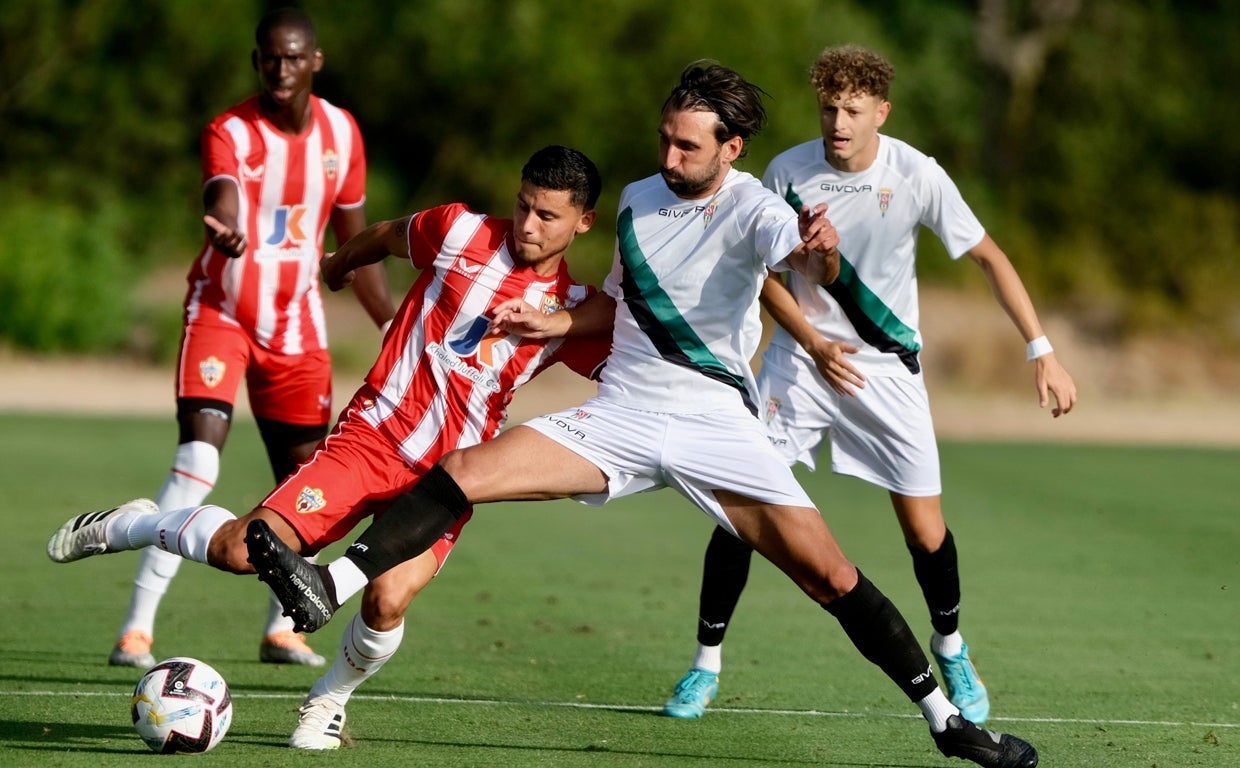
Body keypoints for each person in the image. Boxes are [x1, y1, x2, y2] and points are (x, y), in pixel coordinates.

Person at [241, 62, 1039, 768]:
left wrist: (821, 248)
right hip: (624, 410)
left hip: (718, 426)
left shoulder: (759, 209)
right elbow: (621, 308)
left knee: (831, 576)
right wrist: (557, 323)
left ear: (731, 150)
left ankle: (946, 723)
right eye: (666, 139)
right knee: (463, 472)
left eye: (688, 147)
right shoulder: (632, 201)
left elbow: (803, 255)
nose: (668, 157)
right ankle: (330, 581)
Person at [49, 145, 609, 749]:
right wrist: (340, 263)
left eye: (547, 216)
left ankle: (327, 702)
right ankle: (134, 525)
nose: (527, 224)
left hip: (448, 479)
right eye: (523, 205)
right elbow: (388, 235)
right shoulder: (461, 229)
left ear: (583, 222)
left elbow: (629, 366)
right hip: (368, 440)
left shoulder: (573, 313)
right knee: (243, 551)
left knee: (388, 599)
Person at [660, 45, 1078, 724]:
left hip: (887, 374)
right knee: (740, 510)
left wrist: (1043, 350)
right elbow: (763, 270)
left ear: (881, 111)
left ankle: (950, 645)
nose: (838, 121)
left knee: (924, 531)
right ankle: (704, 666)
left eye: (853, 109)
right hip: (800, 366)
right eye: (829, 107)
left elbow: (989, 257)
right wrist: (815, 343)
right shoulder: (786, 171)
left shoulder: (917, 175)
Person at [103, 7, 395, 671]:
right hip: (222, 314)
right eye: (270, 58)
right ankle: (136, 630)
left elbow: (357, 243)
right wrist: (224, 228)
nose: (282, 70)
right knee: (198, 464)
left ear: (315, 60)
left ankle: (281, 630)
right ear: (256, 61)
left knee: (306, 483)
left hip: (297, 328)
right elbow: (223, 193)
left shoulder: (342, 133)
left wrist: (389, 321)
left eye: (294, 58)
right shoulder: (230, 129)